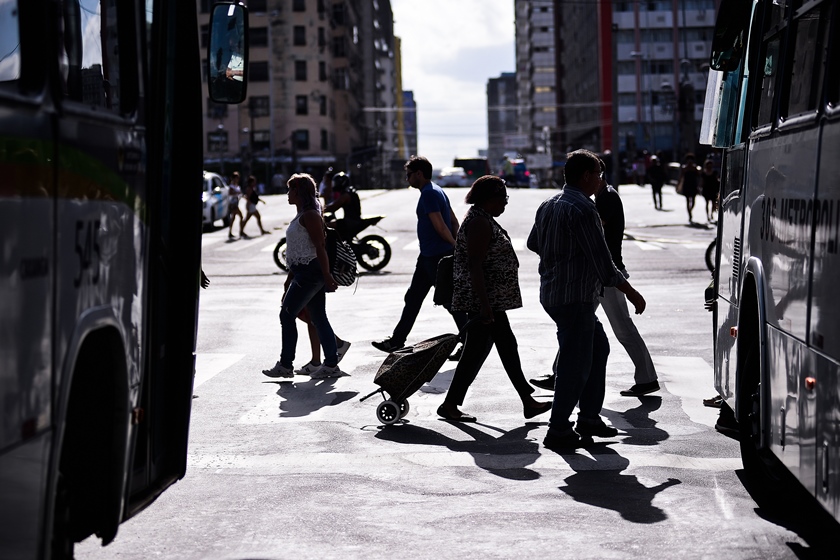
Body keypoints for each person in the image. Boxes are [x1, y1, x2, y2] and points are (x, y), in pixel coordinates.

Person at [527, 149, 646, 451]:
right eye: (598, 174)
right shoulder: (583, 209)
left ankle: (589, 418)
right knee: (573, 364)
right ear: (585, 176)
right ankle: (558, 429)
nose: (600, 180)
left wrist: (559, 257)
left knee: (598, 347)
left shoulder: (549, 205)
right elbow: (603, 263)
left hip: (554, 293)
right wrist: (632, 293)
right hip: (575, 297)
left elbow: (533, 243)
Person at [437, 176, 552, 422]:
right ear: (489, 198)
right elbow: (475, 266)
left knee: (501, 348)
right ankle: (451, 404)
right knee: (483, 352)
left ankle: (526, 400)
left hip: (490, 302)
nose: (505, 204)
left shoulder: (483, 218)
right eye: (503, 199)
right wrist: (485, 307)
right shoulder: (479, 222)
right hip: (484, 303)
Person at [372, 156, 467, 353]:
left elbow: (441, 226)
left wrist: (453, 245)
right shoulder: (437, 190)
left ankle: (469, 343)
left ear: (419, 174)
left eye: (409, 175)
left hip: (437, 257)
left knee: (450, 301)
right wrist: (456, 244)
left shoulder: (429, 195)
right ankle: (397, 341)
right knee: (413, 298)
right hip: (427, 257)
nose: (407, 179)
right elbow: (454, 221)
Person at [262, 173, 346, 380]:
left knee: (287, 314)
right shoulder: (302, 215)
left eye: (291, 189)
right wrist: (289, 278)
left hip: (311, 272)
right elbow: (299, 250)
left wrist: (326, 275)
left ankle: (286, 364)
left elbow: (319, 247)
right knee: (318, 318)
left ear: (300, 192)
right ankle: (331, 364)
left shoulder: (310, 215)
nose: (288, 193)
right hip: (302, 271)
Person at [324, 171, 363, 241]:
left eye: (336, 182)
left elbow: (334, 206)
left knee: (326, 226)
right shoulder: (350, 191)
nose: (334, 184)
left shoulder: (346, 195)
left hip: (351, 221)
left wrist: (321, 209)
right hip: (353, 220)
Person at [679, 153, 700, 223]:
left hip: (693, 185)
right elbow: (681, 177)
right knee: (688, 200)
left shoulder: (695, 168)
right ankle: (690, 215)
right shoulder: (684, 168)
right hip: (687, 185)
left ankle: (690, 210)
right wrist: (679, 185)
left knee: (693, 201)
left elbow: (698, 176)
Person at [227, 171, 244, 239]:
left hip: (236, 202)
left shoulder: (237, 185)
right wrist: (237, 192)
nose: (237, 179)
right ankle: (241, 231)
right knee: (240, 216)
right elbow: (230, 193)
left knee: (233, 218)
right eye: (236, 178)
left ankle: (230, 232)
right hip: (233, 203)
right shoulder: (232, 186)